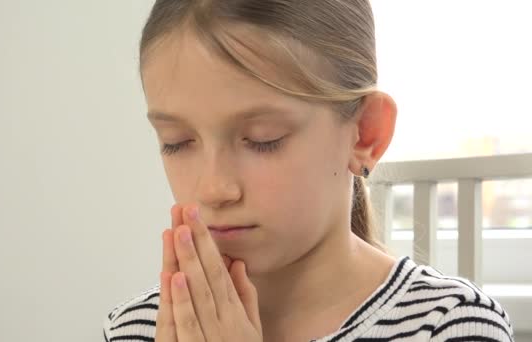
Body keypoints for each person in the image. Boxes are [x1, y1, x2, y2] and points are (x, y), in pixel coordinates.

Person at [103, 1, 514, 341]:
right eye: (176, 141)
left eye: (263, 139)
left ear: (364, 134)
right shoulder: (136, 329)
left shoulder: (451, 325)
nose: (213, 188)